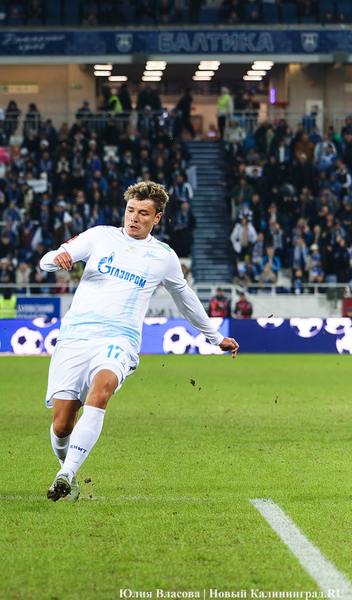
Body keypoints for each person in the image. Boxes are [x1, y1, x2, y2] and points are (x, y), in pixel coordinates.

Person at [38, 181, 239, 501]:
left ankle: (65, 473)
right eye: (130, 210)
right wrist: (57, 259)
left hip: (120, 338)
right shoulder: (99, 235)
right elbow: (50, 258)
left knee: (101, 390)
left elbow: (185, 298)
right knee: (62, 426)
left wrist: (215, 337)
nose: (134, 217)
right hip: (76, 336)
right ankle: (68, 466)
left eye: (143, 213)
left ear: (157, 218)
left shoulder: (163, 256)